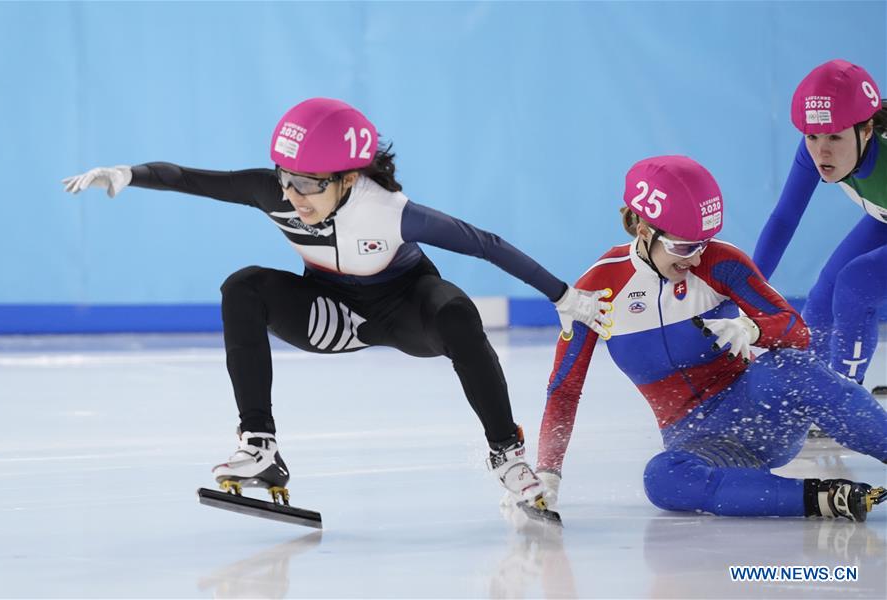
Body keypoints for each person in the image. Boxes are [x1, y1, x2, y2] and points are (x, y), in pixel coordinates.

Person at [62, 97, 612, 523]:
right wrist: (129, 173)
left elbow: (484, 243)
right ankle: (259, 446)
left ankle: (507, 455)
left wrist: (563, 295)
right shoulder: (272, 191)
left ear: (348, 177)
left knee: (455, 310)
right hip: (332, 314)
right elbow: (191, 178)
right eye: (286, 176)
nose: (292, 193)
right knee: (243, 286)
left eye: (306, 183)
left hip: (407, 311)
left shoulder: (390, 211)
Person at [534, 155, 887, 521]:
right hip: (697, 439)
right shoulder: (596, 290)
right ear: (643, 229)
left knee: (793, 366)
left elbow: (797, 332)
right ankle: (823, 499)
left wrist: (753, 329)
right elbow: (564, 388)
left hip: (758, 411)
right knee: (662, 478)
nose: (696, 256)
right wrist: (548, 472)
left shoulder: (720, 261)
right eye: (685, 246)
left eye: (704, 242)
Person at [754, 59, 886, 394]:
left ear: (866, 129)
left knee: (857, 284)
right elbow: (784, 218)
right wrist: (745, 290)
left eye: (835, 138)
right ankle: (810, 392)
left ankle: (844, 400)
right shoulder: (819, 145)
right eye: (812, 136)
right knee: (823, 297)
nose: (821, 151)